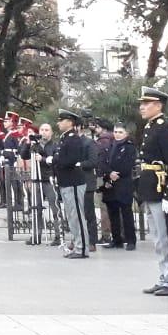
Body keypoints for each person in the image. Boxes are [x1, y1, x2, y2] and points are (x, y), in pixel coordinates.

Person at [137, 86, 168, 297]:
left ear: (158, 105)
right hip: (151, 187)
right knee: (158, 238)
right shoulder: (150, 127)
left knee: (167, 237)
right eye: (142, 104)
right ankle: (164, 276)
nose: (142, 107)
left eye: (146, 104)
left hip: (162, 188)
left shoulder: (164, 129)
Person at [53, 109, 88, 259]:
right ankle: (78, 245)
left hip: (73, 181)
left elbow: (70, 160)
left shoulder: (73, 139)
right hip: (67, 182)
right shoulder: (65, 138)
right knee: (72, 217)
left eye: (61, 120)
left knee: (77, 216)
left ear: (70, 122)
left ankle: (82, 248)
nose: (58, 123)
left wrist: (52, 160)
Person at [101, 122, 137, 251]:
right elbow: (102, 162)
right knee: (113, 213)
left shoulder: (129, 147)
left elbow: (127, 164)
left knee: (126, 213)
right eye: (115, 132)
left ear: (126, 134)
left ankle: (131, 240)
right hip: (110, 184)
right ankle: (116, 240)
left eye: (120, 132)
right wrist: (109, 173)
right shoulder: (110, 145)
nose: (117, 134)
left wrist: (116, 173)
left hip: (123, 183)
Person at [80, 117, 100, 252]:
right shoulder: (70, 142)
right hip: (74, 181)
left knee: (88, 212)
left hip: (86, 181)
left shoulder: (89, 143)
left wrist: (78, 164)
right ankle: (80, 238)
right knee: (77, 213)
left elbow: (93, 161)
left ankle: (92, 240)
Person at [94, 119, 115, 244]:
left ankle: (106, 234)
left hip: (102, 175)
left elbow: (99, 159)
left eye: (97, 127)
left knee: (103, 206)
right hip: (113, 175)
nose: (95, 130)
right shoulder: (115, 140)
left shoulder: (102, 141)